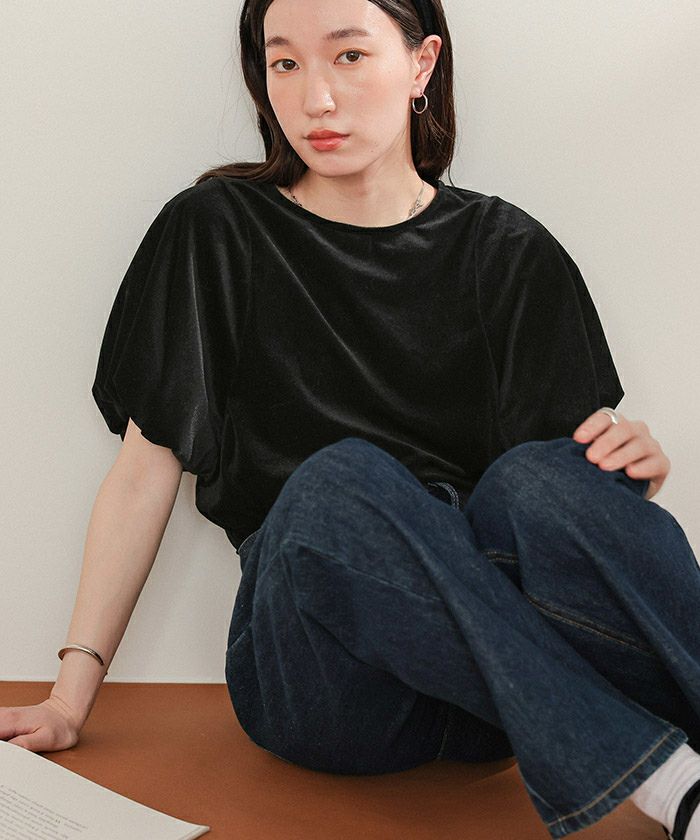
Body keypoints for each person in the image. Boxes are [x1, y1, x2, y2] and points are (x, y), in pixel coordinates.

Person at [1, 0, 699, 837]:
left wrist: (626, 476)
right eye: (284, 63)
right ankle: (667, 781)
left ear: (421, 64)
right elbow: (143, 472)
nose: (315, 99)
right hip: (322, 677)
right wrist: (69, 697)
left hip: (487, 697)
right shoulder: (216, 231)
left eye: (349, 56)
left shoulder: (510, 250)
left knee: (542, 478)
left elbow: (560, 519)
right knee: (341, 479)